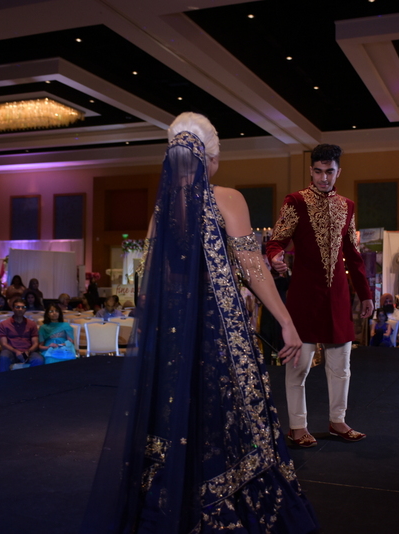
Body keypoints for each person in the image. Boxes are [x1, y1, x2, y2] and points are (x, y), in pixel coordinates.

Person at [82, 113, 316, 533]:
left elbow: (148, 284)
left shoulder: (160, 213)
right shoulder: (227, 199)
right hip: (218, 333)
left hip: (170, 336)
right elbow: (253, 266)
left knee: (174, 411)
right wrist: (286, 320)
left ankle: (172, 500)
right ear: (208, 157)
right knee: (226, 413)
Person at [267, 143, 374, 446]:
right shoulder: (296, 201)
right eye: (318, 171)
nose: (324, 177)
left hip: (337, 296)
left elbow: (353, 254)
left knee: (341, 366)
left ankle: (338, 421)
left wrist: (365, 294)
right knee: (298, 365)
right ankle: (297, 427)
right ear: (311, 171)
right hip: (304, 296)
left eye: (329, 171)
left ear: (339, 171)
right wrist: (275, 256)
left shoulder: (347, 206)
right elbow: (277, 239)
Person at [0, 299, 43, 372]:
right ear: (13, 308)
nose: (20, 309)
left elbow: (35, 343)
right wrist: (16, 351)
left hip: (28, 351)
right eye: (17, 307)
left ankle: (32, 379)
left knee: (39, 359)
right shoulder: (4, 324)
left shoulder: (32, 324)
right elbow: (4, 344)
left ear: (25, 309)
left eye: (23, 307)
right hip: (11, 351)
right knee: (4, 356)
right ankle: (3, 379)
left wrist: (28, 352)